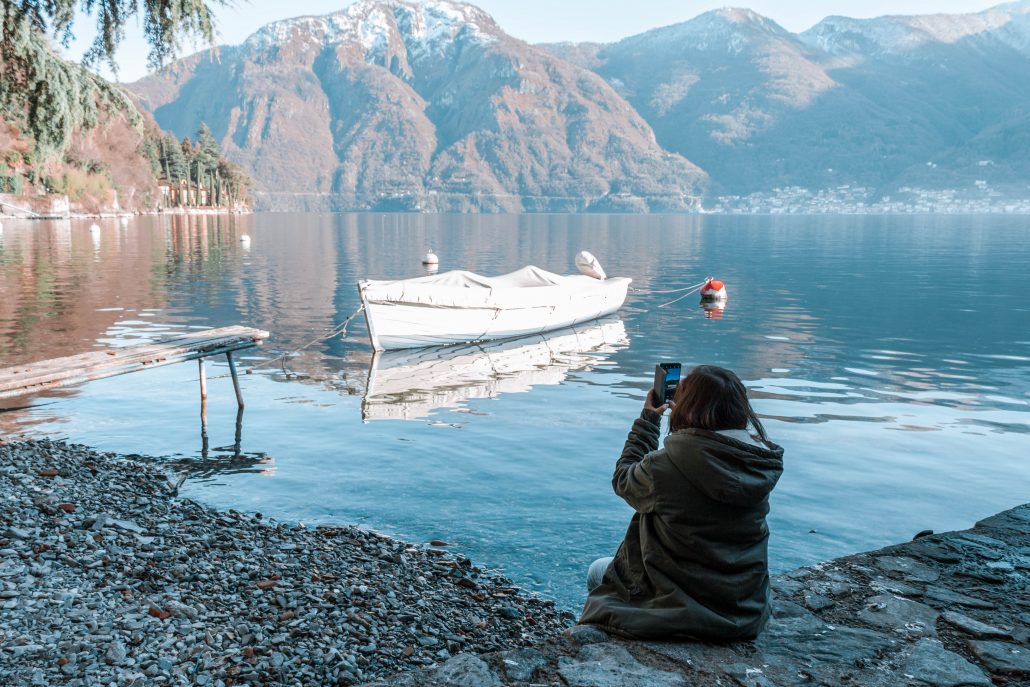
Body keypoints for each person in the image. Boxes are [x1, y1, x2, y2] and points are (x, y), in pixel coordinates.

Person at [578, 365, 784, 641]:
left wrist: (649, 419)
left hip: (679, 610)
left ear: (687, 406)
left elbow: (623, 480)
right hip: (743, 608)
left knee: (598, 572)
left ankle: (597, 640)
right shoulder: (758, 460)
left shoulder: (666, 466)